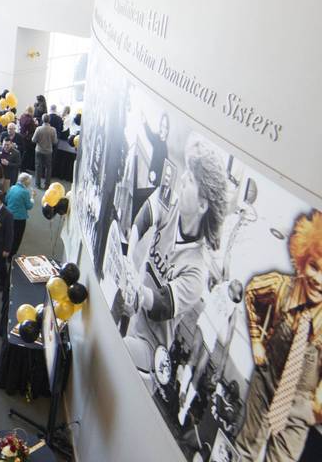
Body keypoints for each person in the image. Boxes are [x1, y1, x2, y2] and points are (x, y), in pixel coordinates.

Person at [120, 138, 227, 377]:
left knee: (115, 352)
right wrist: (128, 257)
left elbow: (160, 305)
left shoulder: (197, 272)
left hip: (151, 351)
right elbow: (143, 219)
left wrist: (137, 291)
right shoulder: (172, 202)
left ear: (202, 205)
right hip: (134, 319)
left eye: (190, 180)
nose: (184, 179)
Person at [235, 211, 322, 462]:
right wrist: (255, 341)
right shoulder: (282, 286)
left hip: (300, 406)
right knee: (245, 450)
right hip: (266, 381)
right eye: (314, 266)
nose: (318, 279)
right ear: (301, 259)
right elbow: (251, 292)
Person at [6, 173, 35, 255]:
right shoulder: (25, 192)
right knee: (16, 238)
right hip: (19, 219)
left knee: (8, 235)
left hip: (8, 216)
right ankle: (11, 255)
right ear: (27, 183)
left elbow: (6, 199)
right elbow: (29, 206)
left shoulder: (12, 187)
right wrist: (32, 198)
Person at [31, 114, 58, 189]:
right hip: (48, 151)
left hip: (39, 150)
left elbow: (33, 140)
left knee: (38, 167)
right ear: (49, 120)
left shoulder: (38, 129)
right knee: (48, 168)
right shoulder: (53, 129)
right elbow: (55, 141)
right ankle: (47, 185)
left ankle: (37, 184)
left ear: (42, 120)